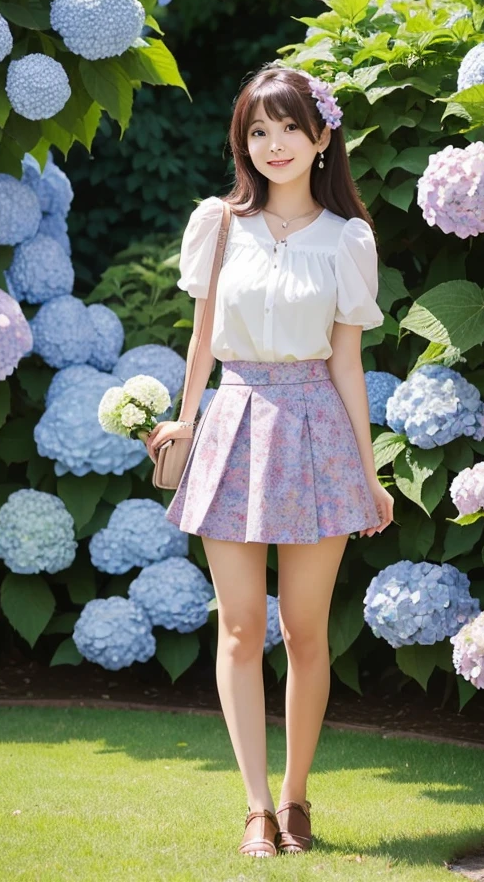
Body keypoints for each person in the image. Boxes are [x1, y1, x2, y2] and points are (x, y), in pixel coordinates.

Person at [144, 63, 394, 858]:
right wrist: (183, 422)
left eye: (289, 127)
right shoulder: (218, 224)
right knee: (243, 628)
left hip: (318, 426)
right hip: (235, 419)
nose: (274, 144)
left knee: (306, 630)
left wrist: (371, 471)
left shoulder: (348, 239)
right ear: (243, 142)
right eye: (258, 130)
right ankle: (254, 807)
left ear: (323, 137)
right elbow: (200, 335)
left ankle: (295, 800)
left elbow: (347, 363)